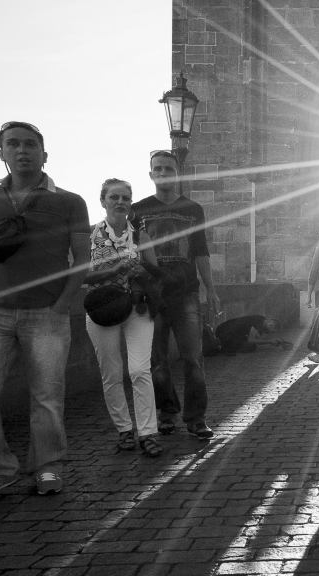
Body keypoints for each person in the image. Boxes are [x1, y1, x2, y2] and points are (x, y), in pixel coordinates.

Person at [0, 121, 90, 507]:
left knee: (47, 396)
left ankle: (48, 465)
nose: (22, 150)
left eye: (30, 144)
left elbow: (81, 259)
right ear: (1, 154)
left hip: (46, 313)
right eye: (12, 144)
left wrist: (62, 303)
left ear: (44, 155)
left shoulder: (70, 201)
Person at [131, 150, 220, 440]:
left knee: (193, 359)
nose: (163, 172)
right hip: (154, 294)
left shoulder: (193, 209)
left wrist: (211, 289)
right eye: (158, 168)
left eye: (169, 168)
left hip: (186, 293)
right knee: (157, 362)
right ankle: (167, 413)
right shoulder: (139, 209)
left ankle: (196, 418)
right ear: (151, 174)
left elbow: (201, 251)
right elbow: (134, 254)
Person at [84, 179, 162, 457]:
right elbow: (79, 275)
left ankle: (148, 432)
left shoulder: (140, 236)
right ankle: (124, 430)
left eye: (126, 198)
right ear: (102, 200)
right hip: (103, 308)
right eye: (114, 197)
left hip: (137, 307)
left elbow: (156, 271)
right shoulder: (89, 235)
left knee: (139, 370)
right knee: (112, 375)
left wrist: (141, 272)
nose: (120, 202)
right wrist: (113, 270)